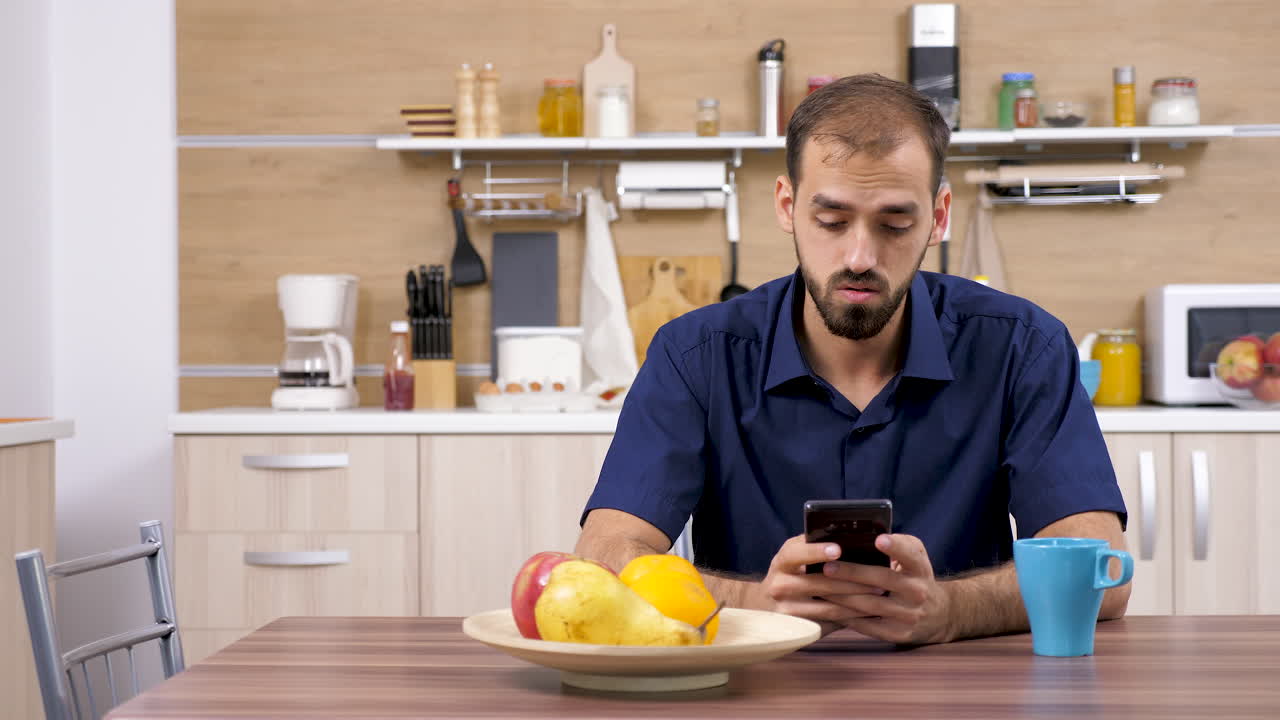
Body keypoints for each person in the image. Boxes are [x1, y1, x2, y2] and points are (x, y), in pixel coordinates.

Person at [576, 74, 1129, 644]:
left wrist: (952, 609)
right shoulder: (694, 355)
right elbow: (605, 557)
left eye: (895, 224)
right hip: (755, 689)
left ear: (939, 216)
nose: (860, 257)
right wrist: (757, 603)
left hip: (964, 691)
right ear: (787, 206)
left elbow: (1103, 574)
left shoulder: (1022, 347)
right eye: (832, 222)